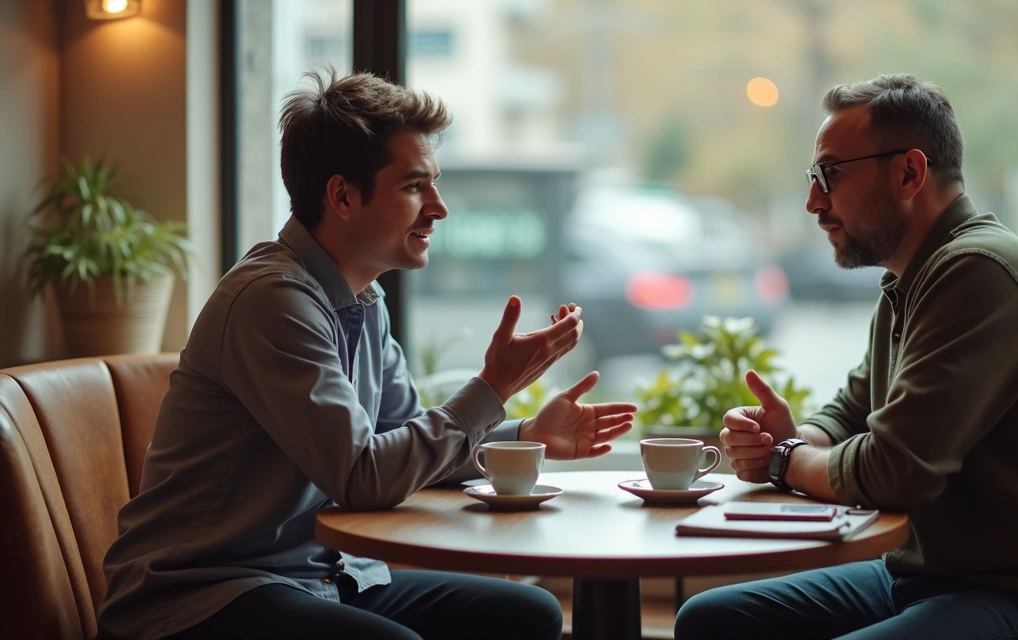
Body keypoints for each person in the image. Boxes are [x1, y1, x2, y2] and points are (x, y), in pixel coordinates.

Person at [96, 68, 638, 640]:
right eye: (413, 186)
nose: (439, 207)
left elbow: (402, 444)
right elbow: (364, 476)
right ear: (342, 196)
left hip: (323, 577)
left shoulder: (362, 301)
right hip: (203, 595)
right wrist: (492, 388)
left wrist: (522, 436)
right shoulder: (272, 301)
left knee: (528, 615)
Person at [674, 74, 1018, 640]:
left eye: (829, 174)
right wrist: (794, 434)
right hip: (935, 575)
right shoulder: (912, 280)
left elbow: (892, 472)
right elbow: (852, 411)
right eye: (813, 177)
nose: (813, 201)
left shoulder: (981, 271)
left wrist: (783, 459)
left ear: (910, 172)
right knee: (711, 621)